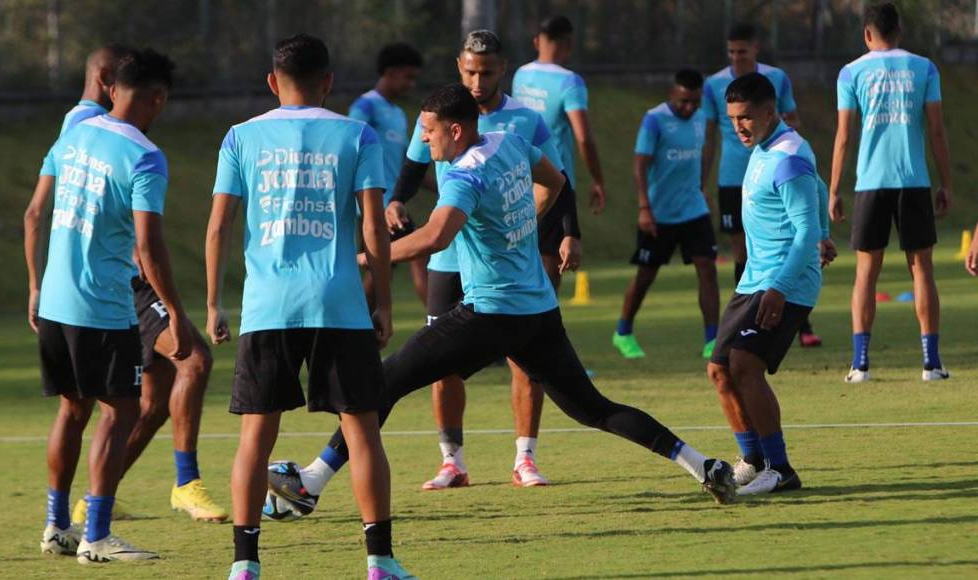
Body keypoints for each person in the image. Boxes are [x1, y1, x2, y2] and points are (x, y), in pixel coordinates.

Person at [272, 83, 737, 519]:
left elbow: (435, 238)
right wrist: (525, 227)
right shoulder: (508, 142)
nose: (424, 141)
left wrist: (361, 257)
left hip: (491, 313)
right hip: (537, 310)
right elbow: (555, 182)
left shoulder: (463, 175)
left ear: (454, 130)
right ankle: (704, 466)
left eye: (429, 132)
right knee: (592, 408)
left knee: (384, 379)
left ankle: (311, 482)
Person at [301, 30, 581, 494]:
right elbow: (411, 173)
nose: (477, 79)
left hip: (498, 264)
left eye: (486, 72)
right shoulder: (437, 115)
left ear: (503, 69)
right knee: (439, 362)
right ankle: (452, 461)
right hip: (447, 257)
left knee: (525, 362)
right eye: (470, 70)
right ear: (458, 66)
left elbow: (557, 178)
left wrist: (564, 230)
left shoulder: (524, 121)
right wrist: (394, 202)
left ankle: (525, 457)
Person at [204, 33, 413, 580]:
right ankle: (379, 561)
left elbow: (220, 225)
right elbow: (372, 225)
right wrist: (385, 301)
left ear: (273, 82)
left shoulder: (239, 137)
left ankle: (245, 565)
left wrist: (212, 302)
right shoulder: (357, 134)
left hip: (267, 305)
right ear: (329, 82)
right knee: (363, 432)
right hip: (338, 303)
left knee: (255, 437)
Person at [25, 48, 183, 564]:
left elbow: (35, 212)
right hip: (103, 305)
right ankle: (95, 535)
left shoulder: (74, 134)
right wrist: (174, 311)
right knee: (121, 411)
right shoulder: (145, 155)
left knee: (72, 409)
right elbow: (150, 246)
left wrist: (34, 286)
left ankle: (56, 526)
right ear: (157, 99)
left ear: (113, 88)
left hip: (54, 299)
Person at [706, 72, 837, 495]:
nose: (738, 126)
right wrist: (824, 231)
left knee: (744, 364)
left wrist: (781, 285)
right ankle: (754, 460)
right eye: (732, 119)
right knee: (719, 370)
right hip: (754, 279)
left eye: (746, 117)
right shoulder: (765, 147)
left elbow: (801, 233)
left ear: (769, 111)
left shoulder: (787, 156)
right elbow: (817, 189)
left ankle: (780, 469)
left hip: (787, 282)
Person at [829, 1, 952, 383]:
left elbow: (845, 135)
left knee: (867, 272)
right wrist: (945, 182)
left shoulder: (851, 73)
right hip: (913, 180)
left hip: (870, 182)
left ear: (867, 34)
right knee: (922, 269)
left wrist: (834, 189)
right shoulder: (924, 68)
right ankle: (931, 363)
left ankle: (860, 364)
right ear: (899, 31)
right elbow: (935, 130)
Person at [701, 23, 822, 348]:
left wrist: (821, 233)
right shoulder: (714, 85)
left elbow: (793, 127)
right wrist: (702, 182)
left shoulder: (777, 85)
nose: (737, 57)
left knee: (738, 365)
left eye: (742, 50)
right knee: (722, 369)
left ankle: (795, 320)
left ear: (755, 48)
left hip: (777, 183)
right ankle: (752, 309)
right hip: (735, 179)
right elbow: (710, 134)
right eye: (731, 52)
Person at [612, 69, 720, 361]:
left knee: (707, 269)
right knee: (646, 275)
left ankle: (712, 339)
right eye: (684, 101)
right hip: (659, 214)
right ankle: (623, 332)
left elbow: (704, 152)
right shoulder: (654, 120)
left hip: (694, 210)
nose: (690, 108)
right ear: (673, 93)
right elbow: (639, 166)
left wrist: (701, 185)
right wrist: (644, 207)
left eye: (695, 102)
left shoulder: (700, 118)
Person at [349, 42, 429, 307]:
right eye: (409, 77)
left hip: (395, 206)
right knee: (415, 256)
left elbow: (410, 165)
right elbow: (350, 147)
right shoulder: (366, 106)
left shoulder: (398, 114)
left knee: (384, 268)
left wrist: (445, 187)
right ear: (391, 72)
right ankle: (440, 319)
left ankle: (362, 328)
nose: (411, 84)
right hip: (376, 208)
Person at [513, 14, 607, 213]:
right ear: (570, 44)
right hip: (555, 184)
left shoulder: (520, 74)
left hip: (518, 183)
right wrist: (598, 179)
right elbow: (583, 138)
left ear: (537, 42)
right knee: (566, 244)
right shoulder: (570, 82)